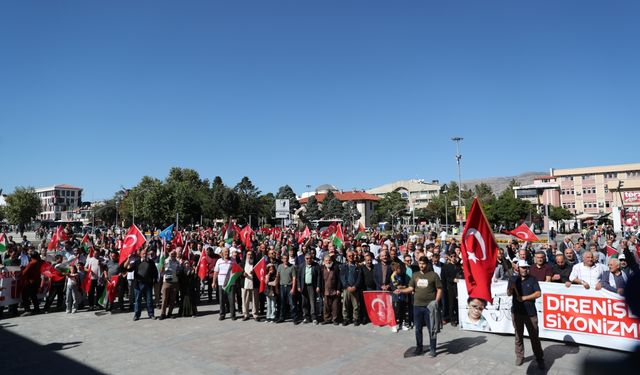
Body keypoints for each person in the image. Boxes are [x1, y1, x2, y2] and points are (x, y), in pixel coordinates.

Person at [394, 256, 442, 357]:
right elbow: (410, 288)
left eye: (423, 264)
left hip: (430, 307)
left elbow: (439, 289)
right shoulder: (415, 275)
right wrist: (401, 291)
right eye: (420, 263)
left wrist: (436, 302)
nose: (421, 266)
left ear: (427, 264)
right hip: (417, 306)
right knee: (417, 329)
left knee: (431, 329)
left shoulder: (433, 275)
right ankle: (419, 348)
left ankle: (433, 349)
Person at [507, 260, 544, 369]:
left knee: (534, 337)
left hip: (530, 313)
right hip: (517, 313)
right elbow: (509, 293)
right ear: (518, 268)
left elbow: (538, 293)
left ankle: (539, 358)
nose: (525, 269)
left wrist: (524, 298)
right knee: (518, 336)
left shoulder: (533, 279)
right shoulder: (513, 279)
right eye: (523, 267)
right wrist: (511, 288)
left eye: (527, 267)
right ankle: (520, 356)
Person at [130, 247, 159, 321]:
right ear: (140, 254)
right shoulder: (137, 261)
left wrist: (155, 280)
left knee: (149, 300)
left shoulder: (151, 262)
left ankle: (151, 314)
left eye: (145, 253)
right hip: (138, 284)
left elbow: (155, 272)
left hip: (148, 284)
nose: (144, 255)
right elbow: (130, 269)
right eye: (143, 254)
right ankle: (137, 315)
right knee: (137, 300)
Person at [297, 252, 322, 324]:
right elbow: (298, 277)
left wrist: (318, 286)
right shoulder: (301, 266)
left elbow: (319, 277)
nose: (308, 260)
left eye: (310, 258)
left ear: (312, 258)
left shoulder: (316, 265)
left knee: (313, 302)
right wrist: (298, 286)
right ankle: (306, 317)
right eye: (307, 258)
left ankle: (314, 317)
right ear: (305, 259)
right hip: (304, 286)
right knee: (304, 302)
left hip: (312, 286)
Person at [340, 250, 362, 326]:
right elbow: (342, 278)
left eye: (352, 256)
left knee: (356, 306)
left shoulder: (358, 267)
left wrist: (355, 286)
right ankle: (345, 319)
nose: (351, 257)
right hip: (346, 289)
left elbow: (359, 278)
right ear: (347, 257)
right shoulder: (344, 266)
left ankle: (355, 319)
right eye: (349, 256)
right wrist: (347, 286)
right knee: (345, 305)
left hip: (355, 289)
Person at [213, 248, 235, 320]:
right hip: (221, 283)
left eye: (228, 252)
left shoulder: (232, 260)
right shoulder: (219, 261)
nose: (227, 253)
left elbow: (236, 270)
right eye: (225, 252)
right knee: (221, 299)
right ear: (222, 253)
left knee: (231, 299)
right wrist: (213, 282)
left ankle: (233, 314)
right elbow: (216, 272)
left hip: (230, 283)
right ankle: (222, 314)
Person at [276, 253, 298, 324]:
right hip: (282, 287)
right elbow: (277, 277)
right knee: (282, 303)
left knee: (292, 303)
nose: (285, 260)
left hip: (289, 287)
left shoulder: (292, 267)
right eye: (284, 258)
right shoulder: (280, 266)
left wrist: (293, 288)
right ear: (282, 259)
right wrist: (277, 288)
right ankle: (282, 317)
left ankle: (295, 318)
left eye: (287, 258)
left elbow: (294, 278)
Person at [321, 254, 341, 325]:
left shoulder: (335, 268)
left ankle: (335, 319)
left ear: (331, 261)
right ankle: (327, 319)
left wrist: (338, 289)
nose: (328, 262)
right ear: (324, 261)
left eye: (329, 260)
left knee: (335, 306)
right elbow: (321, 281)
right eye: (326, 260)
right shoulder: (322, 268)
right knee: (326, 306)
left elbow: (339, 279)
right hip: (326, 290)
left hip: (334, 290)